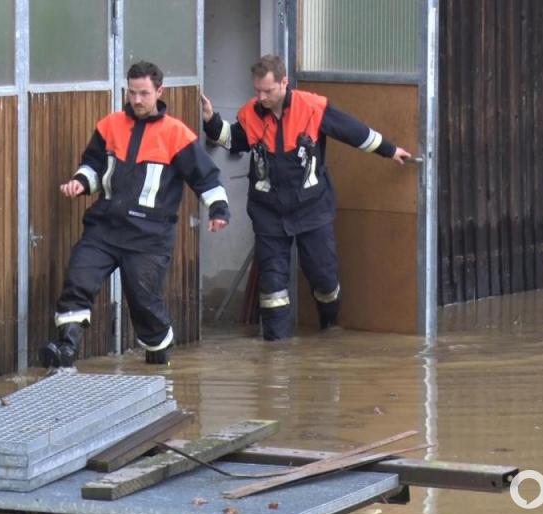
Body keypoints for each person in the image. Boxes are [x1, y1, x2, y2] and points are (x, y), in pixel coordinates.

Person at [201, 55, 412, 341]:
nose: (261, 97)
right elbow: (234, 139)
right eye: (257, 91)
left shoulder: (312, 108)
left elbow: (354, 132)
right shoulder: (250, 113)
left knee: (325, 280)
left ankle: (330, 328)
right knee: (273, 289)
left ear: (284, 83)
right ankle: (277, 358)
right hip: (268, 213)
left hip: (313, 209)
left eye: (268, 91)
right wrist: (211, 121)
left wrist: (389, 150)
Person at [41, 61, 230, 368]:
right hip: (104, 228)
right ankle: (65, 351)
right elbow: (93, 165)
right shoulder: (109, 125)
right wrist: (80, 182)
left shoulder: (177, 134)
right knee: (78, 280)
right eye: (132, 93)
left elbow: (205, 178)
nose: (137, 100)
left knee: (144, 304)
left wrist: (219, 210)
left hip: (149, 238)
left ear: (159, 91)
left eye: (144, 93)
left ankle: (158, 356)